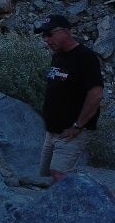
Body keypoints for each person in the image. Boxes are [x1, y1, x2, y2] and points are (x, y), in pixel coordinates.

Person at [34, 14, 104, 183]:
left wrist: (77, 126)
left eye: (50, 34)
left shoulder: (85, 57)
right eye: (44, 35)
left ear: (65, 32)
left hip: (72, 130)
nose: (46, 39)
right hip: (54, 130)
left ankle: (94, 198)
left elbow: (96, 94)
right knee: (51, 175)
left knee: (60, 174)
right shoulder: (58, 55)